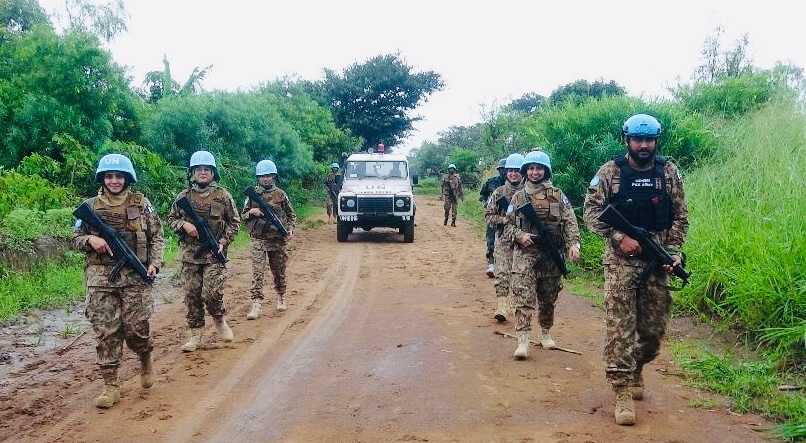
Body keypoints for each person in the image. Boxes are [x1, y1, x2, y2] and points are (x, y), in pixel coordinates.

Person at [583, 113, 688, 426]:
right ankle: (622, 390)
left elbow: (681, 217)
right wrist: (620, 237)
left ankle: (638, 367)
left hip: (657, 263)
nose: (643, 145)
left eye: (649, 140)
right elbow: (591, 214)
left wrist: (673, 252)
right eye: (637, 139)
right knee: (620, 328)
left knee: (653, 333)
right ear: (626, 140)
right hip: (620, 264)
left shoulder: (668, 172)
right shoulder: (610, 172)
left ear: (656, 141)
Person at [71, 153, 164, 409]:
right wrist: (91, 240)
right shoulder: (89, 207)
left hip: (136, 277)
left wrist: (154, 263)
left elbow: (157, 237)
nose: (114, 181)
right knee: (105, 331)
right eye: (109, 176)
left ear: (127, 178)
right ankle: (110, 385)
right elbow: (75, 237)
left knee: (136, 328)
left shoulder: (142, 203)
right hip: (101, 278)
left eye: (119, 176)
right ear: (103, 178)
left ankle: (145, 355)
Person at [503, 150, 580, 359]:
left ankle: (545, 332)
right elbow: (507, 226)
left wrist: (574, 244)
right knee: (523, 297)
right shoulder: (518, 197)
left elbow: (570, 221)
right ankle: (522, 340)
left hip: (551, 255)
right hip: (526, 255)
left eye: (539, 168)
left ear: (546, 171)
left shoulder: (558, 195)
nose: (535, 172)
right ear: (525, 171)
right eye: (531, 168)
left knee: (548, 298)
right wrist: (520, 235)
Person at [167, 150, 241, 352]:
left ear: (213, 172)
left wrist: (224, 242)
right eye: (198, 169)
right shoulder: (183, 196)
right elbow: (171, 219)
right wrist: (184, 225)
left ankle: (219, 319)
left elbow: (235, 222)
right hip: (190, 256)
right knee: (192, 296)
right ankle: (196, 335)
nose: (202, 172)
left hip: (214, 254)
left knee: (212, 293)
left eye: (206, 169)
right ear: (192, 172)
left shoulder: (223, 196)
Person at [242, 160, 297, 319]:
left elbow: (291, 215)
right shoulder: (252, 195)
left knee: (278, 271)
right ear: (257, 178)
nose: (265, 179)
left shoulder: (281, 194)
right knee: (257, 272)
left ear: (273, 176)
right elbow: (242, 216)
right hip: (258, 240)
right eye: (262, 176)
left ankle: (281, 295)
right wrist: (252, 212)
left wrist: (290, 229)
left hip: (277, 240)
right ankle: (256, 303)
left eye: (268, 176)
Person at [484, 153, 524, 323]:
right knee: (502, 274)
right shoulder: (499, 193)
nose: (513, 174)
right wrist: (504, 220)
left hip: (524, 241)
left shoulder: (528, 193)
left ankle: (517, 307)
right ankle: (502, 306)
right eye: (510, 171)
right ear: (505, 172)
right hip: (503, 240)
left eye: (517, 170)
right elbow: (488, 216)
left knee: (521, 275)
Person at [480, 158, 508, 277]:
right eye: (502, 169)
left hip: (509, 216)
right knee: (491, 238)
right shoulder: (491, 182)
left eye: (506, 169)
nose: (505, 172)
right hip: (494, 214)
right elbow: (482, 194)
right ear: (499, 170)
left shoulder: (516, 183)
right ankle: (491, 262)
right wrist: (486, 204)